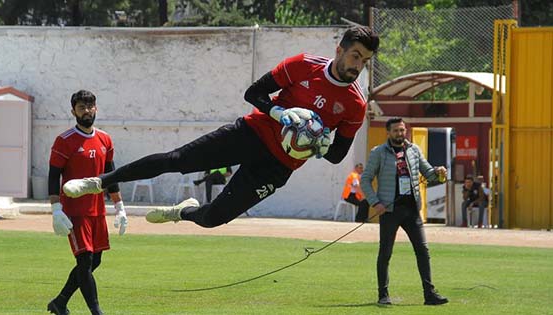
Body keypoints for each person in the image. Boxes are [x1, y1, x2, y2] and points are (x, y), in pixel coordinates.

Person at [62, 26, 379, 230]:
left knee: (213, 219)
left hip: (278, 166)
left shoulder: (355, 104)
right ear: (339, 50)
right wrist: (280, 112)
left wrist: (316, 141)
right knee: (176, 160)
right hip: (252, 134)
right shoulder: (303, 65)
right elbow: (252, 94)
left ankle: (181, 213)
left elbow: (337, 155)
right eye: (355, 56)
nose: (357, 65)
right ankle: (99, 182)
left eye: (364, 61)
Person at [47, 90, 128, 315]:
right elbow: (54, 175)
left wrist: (119, 207)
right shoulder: (64, 141)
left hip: (97, 210)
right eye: (81, 107)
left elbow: (110, 175)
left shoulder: (105, 139)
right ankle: (96, 311)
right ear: (73, 111)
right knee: (85, 261)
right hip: (74, 212)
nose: (87, 111)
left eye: (90, 107)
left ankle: (60, 302)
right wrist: (56, 209)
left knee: (95, 262)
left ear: (96, 109)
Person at [360, 117, 449, 306]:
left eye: (402, 130)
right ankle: (383, 295)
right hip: (389, 211)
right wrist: (375, 203)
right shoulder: (378, 153)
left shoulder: (414, 150)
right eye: (396, 131)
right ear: (388, 132)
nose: (400, 134)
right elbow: (365, 180)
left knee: (423, 251)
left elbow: (429, 175)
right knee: (385, 253)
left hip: (412, 210)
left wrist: (440, 173)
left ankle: (429, 294)